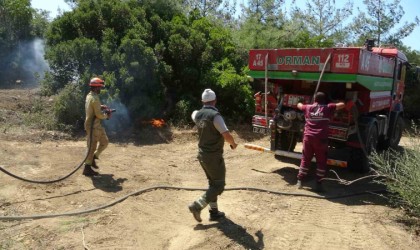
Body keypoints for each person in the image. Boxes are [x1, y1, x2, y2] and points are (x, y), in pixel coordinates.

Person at [188, 88, 238, 222]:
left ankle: (214, 212)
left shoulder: (198, 115)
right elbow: (226, 134)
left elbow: (193, 113)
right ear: (215, 101)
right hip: (213, 157)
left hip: (202, 155)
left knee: (212, 183)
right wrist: (233, 144)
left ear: (202, 101)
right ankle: (197, 206)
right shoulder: (215, 116)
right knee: (219, 185)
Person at [296, 92, 345, 192]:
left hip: (308, 138)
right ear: (324, 100)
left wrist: (300, 102)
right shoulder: (328, 107)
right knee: (321, 161)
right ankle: (318, 184)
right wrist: (340, 101)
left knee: (305, 159)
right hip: (321, 139)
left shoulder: (308, 108)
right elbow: (342, 105)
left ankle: (300, 181)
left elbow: (299, 105)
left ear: (314, 99)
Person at [83, 77, 112, 177]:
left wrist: (101, 107)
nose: (101, 89)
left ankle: (94, 157)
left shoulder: (90, 96)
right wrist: (107, 115)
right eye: (100, 87)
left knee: (105, 142)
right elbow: (99, 115)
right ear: (96, 88)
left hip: (96, 125)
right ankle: (87, 168)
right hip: (92, 126)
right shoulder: (94, 98)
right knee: (91, 147)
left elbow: (95, 108)